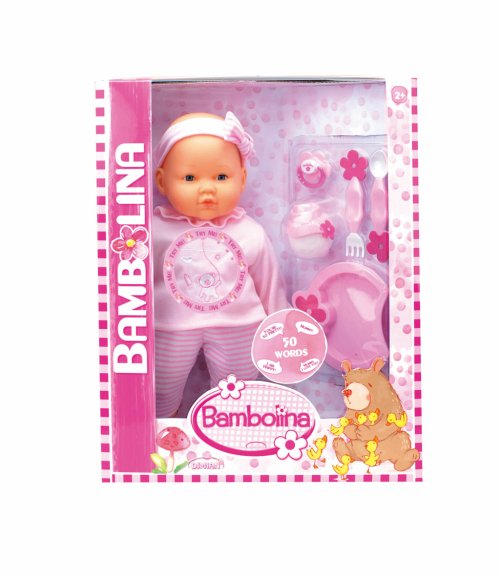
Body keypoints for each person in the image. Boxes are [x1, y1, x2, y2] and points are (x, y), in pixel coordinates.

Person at [153, 111, 288, 417]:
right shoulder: (153, 233)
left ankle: (229, 427)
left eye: (221, 177)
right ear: (162, 181)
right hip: (170, 325)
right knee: (161, 389)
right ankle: (161, 431)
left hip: (239, 324)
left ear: (242, 178)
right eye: (190, 178)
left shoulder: (249, 232)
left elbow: (269, 283)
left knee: (238, 389)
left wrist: (280, 324)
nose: (207, 189)